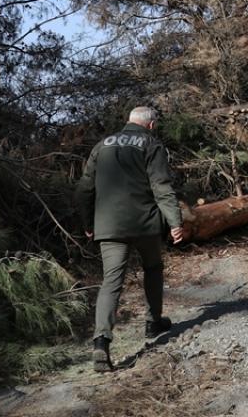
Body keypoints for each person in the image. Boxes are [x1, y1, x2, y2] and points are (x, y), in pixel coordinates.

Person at [75, 106, 189, 373]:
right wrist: (175, 222)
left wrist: (88, 224)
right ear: (151, 125)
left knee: (111, 282)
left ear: (129, 121)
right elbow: (161, 187)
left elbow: (84, 189)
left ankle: (101, 342)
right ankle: (153, 322)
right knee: (153, 268)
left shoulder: (102, 145)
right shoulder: (151, 144)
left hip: (109, 226)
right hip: (144, 223)